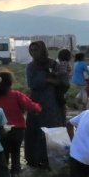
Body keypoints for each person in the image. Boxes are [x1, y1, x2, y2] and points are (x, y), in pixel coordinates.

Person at [0, 70, 42, 177]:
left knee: (3, 152)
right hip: (17, 130)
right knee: (15, 151)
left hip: (1, 130)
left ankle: (3, 175)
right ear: (10, 83)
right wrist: (38, 107)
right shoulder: (16, 95)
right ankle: (15, 173)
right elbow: (31, 106)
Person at [24, 40, 62, 169]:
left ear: (43, 50)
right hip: (36, 101)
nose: (34, 53)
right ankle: (34, 159)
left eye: (36, 50)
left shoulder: (53, 64)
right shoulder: (31, 67)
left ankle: (49, 159)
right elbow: (32, 84)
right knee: (34, 130)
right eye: (32, 50)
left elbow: (61, 81)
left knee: (50, 130)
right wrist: (47, 79)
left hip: (51, 102)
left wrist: (53, 80)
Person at [55, 48, 72, 125]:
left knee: (59, 94)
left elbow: (62, 72)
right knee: (61, 94)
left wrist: (55, 74)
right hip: (66, 82)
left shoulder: (62, 63)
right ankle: (64, 105)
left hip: (63, 82)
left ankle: (63, 104)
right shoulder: (67, 63)